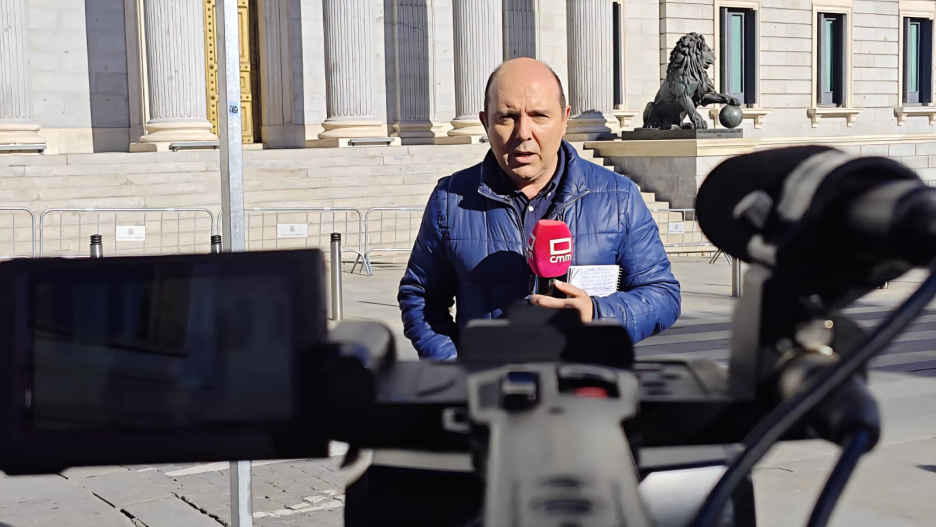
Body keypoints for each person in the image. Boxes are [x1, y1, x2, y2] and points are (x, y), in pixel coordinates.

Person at [398, 57, 681, 360]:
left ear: (564, 120)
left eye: (539, 116)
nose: (523, 133)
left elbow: (663, 296)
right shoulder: (450, 198)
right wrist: (455, 371)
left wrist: (596, 313)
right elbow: (421, 299)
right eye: (507, 117)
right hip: (488, 394)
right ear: (485, 122)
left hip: (582, 393)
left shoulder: (618, 197)